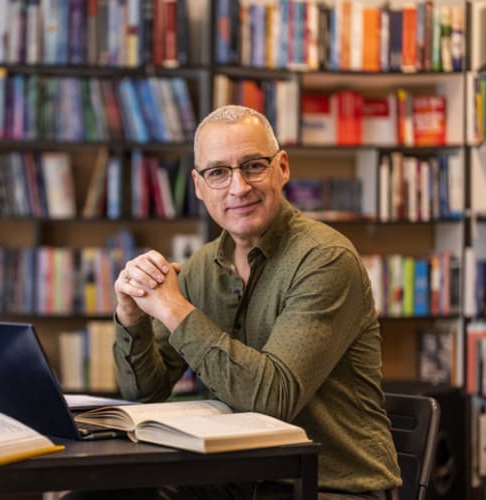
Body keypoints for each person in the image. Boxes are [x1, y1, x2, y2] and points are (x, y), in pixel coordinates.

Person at [113, 105, 402, 499]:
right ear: (198, 186)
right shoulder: (201, 267)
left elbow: (273, 401)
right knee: (100, 494)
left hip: (330, 487)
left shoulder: (326, 259)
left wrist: (171, 309)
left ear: (282, 167)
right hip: (237, 480)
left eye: (253, 165)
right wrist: (132, 318)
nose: (238, 187)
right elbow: (146, 396)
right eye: (218, 172)